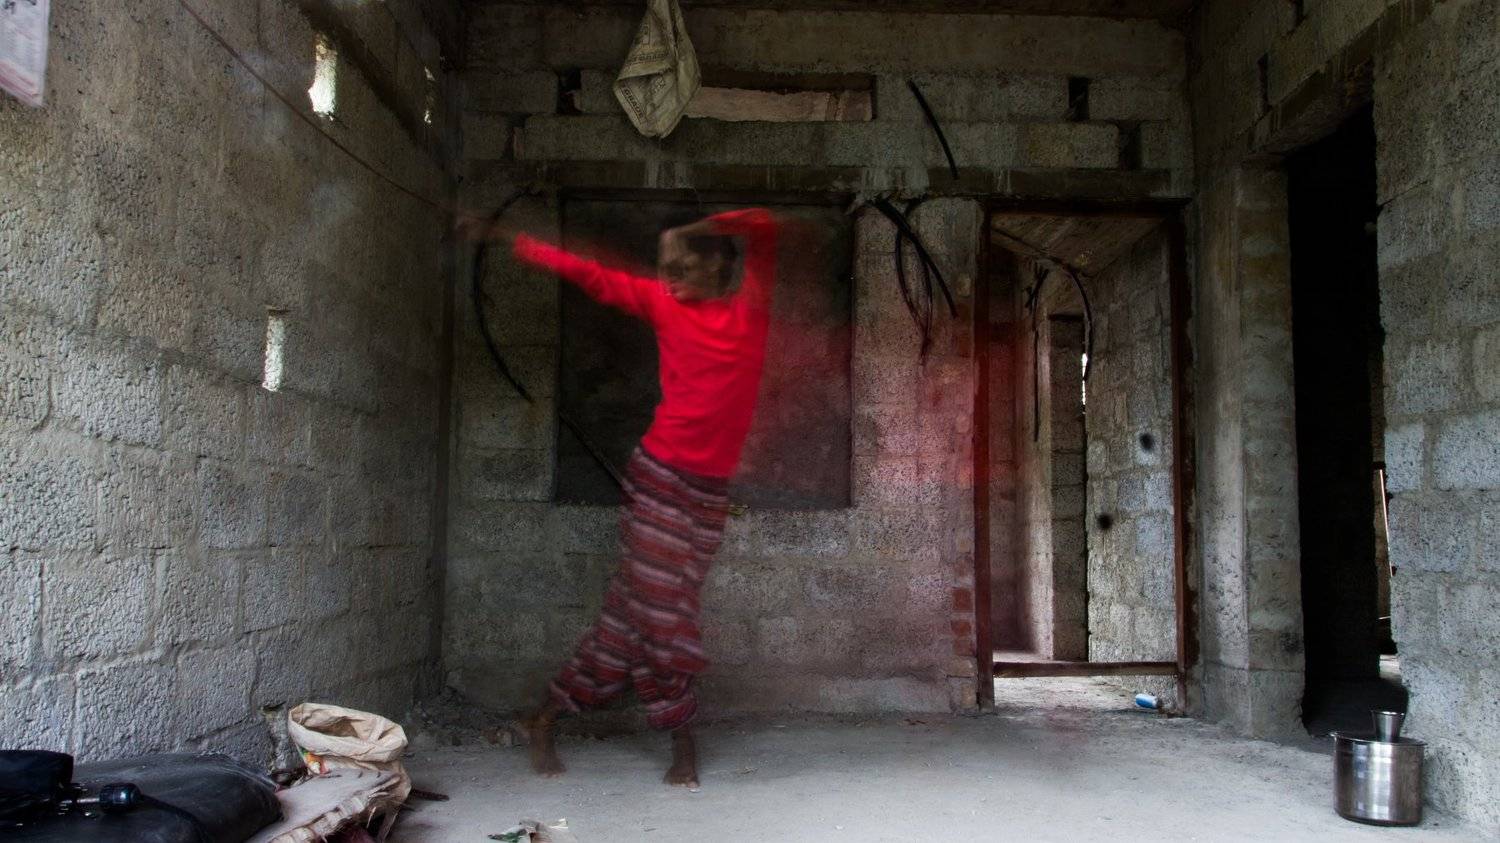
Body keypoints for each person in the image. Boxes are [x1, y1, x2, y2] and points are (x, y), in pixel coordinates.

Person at [474, 206, 781, 787]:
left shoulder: (749, 313)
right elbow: (592, 275)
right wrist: (522, 243)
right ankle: (682, 740)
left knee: (628, 619)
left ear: (718, 268)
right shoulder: (664, 305)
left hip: (709, 495)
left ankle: (545, 715)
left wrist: (696, 229)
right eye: (666, 265)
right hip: (659, 478)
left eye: (684, 264)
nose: (670, 275)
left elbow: (762, 227)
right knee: (666, 619)